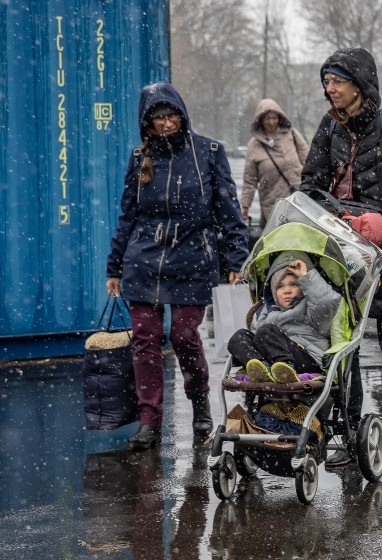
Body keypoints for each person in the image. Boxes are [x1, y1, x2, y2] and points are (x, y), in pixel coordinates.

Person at [299, 47, 382, 464]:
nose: (330, 88)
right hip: (342, 251)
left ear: (360, 85)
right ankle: (351, 426)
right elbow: (311, 183)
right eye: (327, 82)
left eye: (337, 81)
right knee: (344, 344)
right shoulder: (329, 128)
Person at [106, 82, 249, 450]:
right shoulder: (140, 158)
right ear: (147, 123)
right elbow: (127, 215)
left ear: (182, 116)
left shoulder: (209, 152)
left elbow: (228, 210)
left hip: (192, 255)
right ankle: (149, 420)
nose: (166, 124)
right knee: (144, 341)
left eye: (171, 116)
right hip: (144, 258)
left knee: (184, 337)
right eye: (157, 119)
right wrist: (115, 267)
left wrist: (236, 258)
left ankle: (200, 405)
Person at [227, 254, 340, 384]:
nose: (287, 290)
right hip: (271, 361)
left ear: (303, 287)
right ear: (273, 292)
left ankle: (285, 368)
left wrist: (305, 276)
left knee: (265, 332)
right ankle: (262, 368)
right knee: (238, 337)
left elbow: (326, 301)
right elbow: (254, 338)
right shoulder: (266, 312)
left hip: (307, 359)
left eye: (293, 284)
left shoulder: (311, 308)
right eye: (280, 286)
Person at [241, 98, 309, 228]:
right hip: (271, 203)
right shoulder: (254, 145)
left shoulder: (292, 135)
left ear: (279, 118)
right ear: (260, 120)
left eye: (274, 118)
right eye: (267, 118)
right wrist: (245, 206)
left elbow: (309, 163)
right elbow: (249, 179)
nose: (271, 122)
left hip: (298, 200)